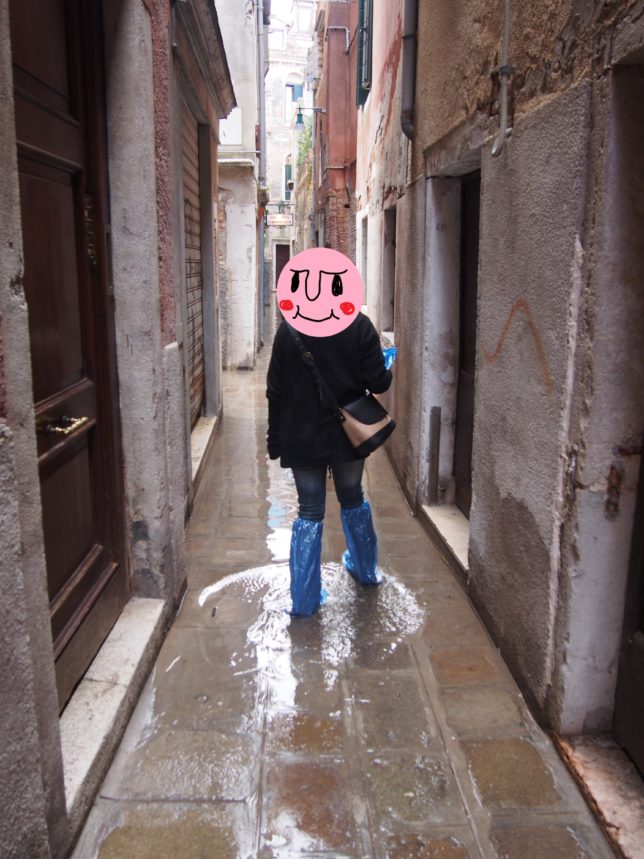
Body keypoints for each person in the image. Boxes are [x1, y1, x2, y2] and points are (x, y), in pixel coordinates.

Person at [266, 311, 393, 616]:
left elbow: (275, 390)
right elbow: (379, 381)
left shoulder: (289, 330)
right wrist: (386, 361)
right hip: (346, 437)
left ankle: (304, 598)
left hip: (300, 436)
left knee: (309, 510)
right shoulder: (359, 325)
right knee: (352, 497)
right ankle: (365, 570)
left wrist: (274, 440)